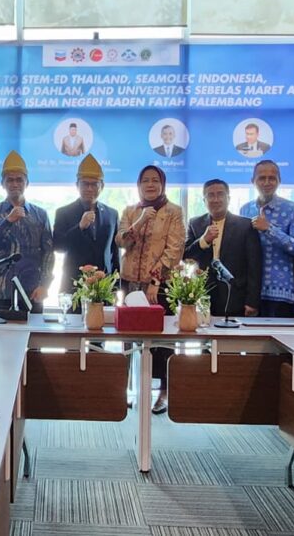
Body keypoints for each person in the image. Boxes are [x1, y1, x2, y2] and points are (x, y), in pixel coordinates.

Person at [117, 165, 186, 414]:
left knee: (161, 339)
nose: (150, 185)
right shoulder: (130, 211)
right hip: (130, 283)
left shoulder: (173, 212)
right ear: (138, 185)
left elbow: (175, 249)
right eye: (145, 180)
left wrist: (156, 281)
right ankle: (126, 388)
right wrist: (141, 220)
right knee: (127, 337)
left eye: (155, 180)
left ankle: (164, 391)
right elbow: (121, 241)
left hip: (159, 285)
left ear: (162, 184)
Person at [0, 151, 55, 314]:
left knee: (33, 330)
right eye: (10, 180)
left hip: (32, 289)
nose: (15, 184)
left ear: (27, 183)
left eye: (19, 180)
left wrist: (45, 285)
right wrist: (7, 221)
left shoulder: (40, 214)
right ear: (3, 183)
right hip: (0, 288)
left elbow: (48, 252)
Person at [184, 179, 261, 317]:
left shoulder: (245, 225)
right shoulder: (195, 223)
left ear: (228, 198)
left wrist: (252, 301)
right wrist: (203, 241)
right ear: (204, 200)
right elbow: (186, 255)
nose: (216, 199)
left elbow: (254, 266)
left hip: (235, 295)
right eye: (210, 195)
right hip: (203, 295)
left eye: (220, 194)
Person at [239, 160, 294, 317]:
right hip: (250, 292)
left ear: (279, 181)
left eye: (272, 178)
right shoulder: (245, 210)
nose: (267, 182)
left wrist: (269, 229)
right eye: (262, 178)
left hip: (280, 292)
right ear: (253, 181)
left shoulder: (292, 209)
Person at [53, 155, 120, 296]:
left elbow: (115, 253)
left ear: (102, 186)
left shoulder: (112, 214)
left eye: (94, 184)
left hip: (104, 287)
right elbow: (58, 246)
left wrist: (115, 287)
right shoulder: (64, 212)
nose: (89, 188)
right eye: (85, 184)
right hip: (74, 286)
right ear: (77, 185)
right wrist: (80, 227)